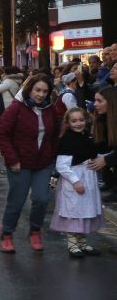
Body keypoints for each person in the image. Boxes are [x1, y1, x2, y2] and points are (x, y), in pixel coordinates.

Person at [0, 73, 66, 253]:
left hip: (43, 163)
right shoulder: (16, 109)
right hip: (20, 163)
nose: (40, 95)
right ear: (29, 89)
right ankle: (7, 234)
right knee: (16, 201)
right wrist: (12, 159)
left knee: (42, 199)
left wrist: (52, 156)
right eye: (37, 90)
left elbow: (55, 135)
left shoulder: (50, 109)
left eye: (44, 91)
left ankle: (35, 230)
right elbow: (2, 135)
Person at [51, 108, 103, 257]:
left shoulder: (87, 136)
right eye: (74, 121)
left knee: (85, 211)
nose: (78, 123)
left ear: (86, 120)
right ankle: (73, 244)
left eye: (81, 120)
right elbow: (62, 165)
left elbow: (93, 153)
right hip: (75, 179)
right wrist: (75, 181)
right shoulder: (67, 140)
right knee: (74, 212)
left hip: (88, 178)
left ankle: (82, 243)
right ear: (68, 123)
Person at [91, 85, 116, 204]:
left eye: (99, 101)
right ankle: (111, 184)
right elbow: (100, 146)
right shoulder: (102, 119)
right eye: (95, 100)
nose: (95, 104)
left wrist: (106, 159)